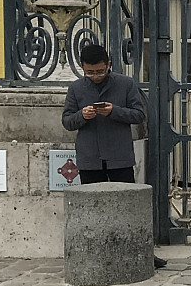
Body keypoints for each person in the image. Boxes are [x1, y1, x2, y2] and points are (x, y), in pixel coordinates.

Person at [63, 44, 147, 184]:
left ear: (108, 65)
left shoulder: (126, 84)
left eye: (100, 71)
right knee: (91, 196)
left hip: (120, 157)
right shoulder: (76, 88)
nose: (96, 76)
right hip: (90, 158)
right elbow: (67, 121)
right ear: (83, 67)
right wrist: (82, 115)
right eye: (90, 72)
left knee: (124, 195)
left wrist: (114, 111)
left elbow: (139, 115)